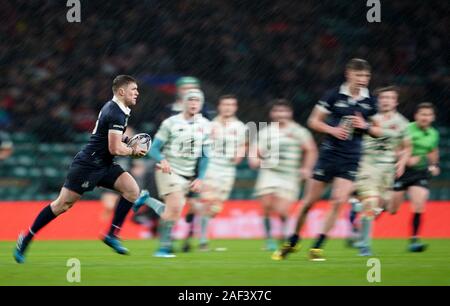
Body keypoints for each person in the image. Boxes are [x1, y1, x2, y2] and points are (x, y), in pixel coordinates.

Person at [13, 75, 148, 263]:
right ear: (121, 91)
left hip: (104, 163)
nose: (137, 93)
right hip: (88, 165)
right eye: (133, 89)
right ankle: (25, 239)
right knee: (62, 205)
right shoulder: (115, 112)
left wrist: (127, 142)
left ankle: (111, 235)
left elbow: (110, 139)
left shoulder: (119, 109)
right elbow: (114, 148)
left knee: (132, 190)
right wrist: (133, 150)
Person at [272, 58, 381, 261]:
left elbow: (378, 130)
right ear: (348, 74)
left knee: (338, 201)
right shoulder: (333, 95)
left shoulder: (370, 101)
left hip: (351, 158)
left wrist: (364, 126)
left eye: (366, 75)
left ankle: (317, 247)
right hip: (329, 154)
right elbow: (313, 120)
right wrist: (333, 129)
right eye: (359, 75)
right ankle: (293, 241)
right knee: (308, 203)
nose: (363, 79)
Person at [133, 89, 211, 258]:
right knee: (174, 208)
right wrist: (163, 160)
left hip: (187, 175)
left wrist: (201, 178)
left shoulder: (205, 125)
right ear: (183, 103)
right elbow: (153, 149)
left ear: (201, 104)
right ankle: (163, 248)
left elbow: (205, 155)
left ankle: (147, 200)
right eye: (190, 100)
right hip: (167, 170)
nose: (193, 103)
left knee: (172, 212)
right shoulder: (171, 123)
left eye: (197, 100)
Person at [349, 86, 411, 256]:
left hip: (387, 170)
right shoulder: (367, 118)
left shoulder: (403, 123)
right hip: (367, 166)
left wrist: (402, 162)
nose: (386, 100)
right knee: (372, 203)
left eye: (390, 97)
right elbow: (352, 138)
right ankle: (364, 245)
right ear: (378, 100)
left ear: (396, 102)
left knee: (382, 207)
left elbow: (407, 147)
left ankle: (356, 209)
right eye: (383, 97)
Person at [249, 99, 317, 251]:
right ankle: (269, 240)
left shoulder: (299, 131)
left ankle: (285, 233)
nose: (281, 114)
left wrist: (306, 168)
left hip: (290, 174)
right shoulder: (266, 132)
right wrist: (255, 160)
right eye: (277, 111)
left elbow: (311, 150)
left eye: (284, 111)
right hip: (269, 172)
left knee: (282, 210)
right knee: (266, 205)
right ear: (272, 114)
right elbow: (255, 151)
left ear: (290, 113)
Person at [184, 94, 247, 251]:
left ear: (235, 107)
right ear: (219, 106)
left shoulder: (241, 127)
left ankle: (194, 209)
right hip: (211, 167)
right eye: (225, 104)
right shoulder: (209, 125)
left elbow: (244, 145)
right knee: (209, 202)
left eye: (231, 104)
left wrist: (239, 154)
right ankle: (203, 241)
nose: (227, 107)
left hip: (228, 170)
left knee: (215, 208)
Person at [389, 102, 440, 252]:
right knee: (392, 209)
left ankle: (414, 240)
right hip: (400, 171)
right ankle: (363, 219)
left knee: (420, 202)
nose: (425, 117)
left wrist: (435, 165)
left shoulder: (434, 133)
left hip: (419, 173)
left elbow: (432, 151)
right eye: (423, 114)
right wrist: (406, 158)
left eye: (428, 114)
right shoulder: (406, 129)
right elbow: (393, 148)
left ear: (433, 117)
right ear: (416, 116)